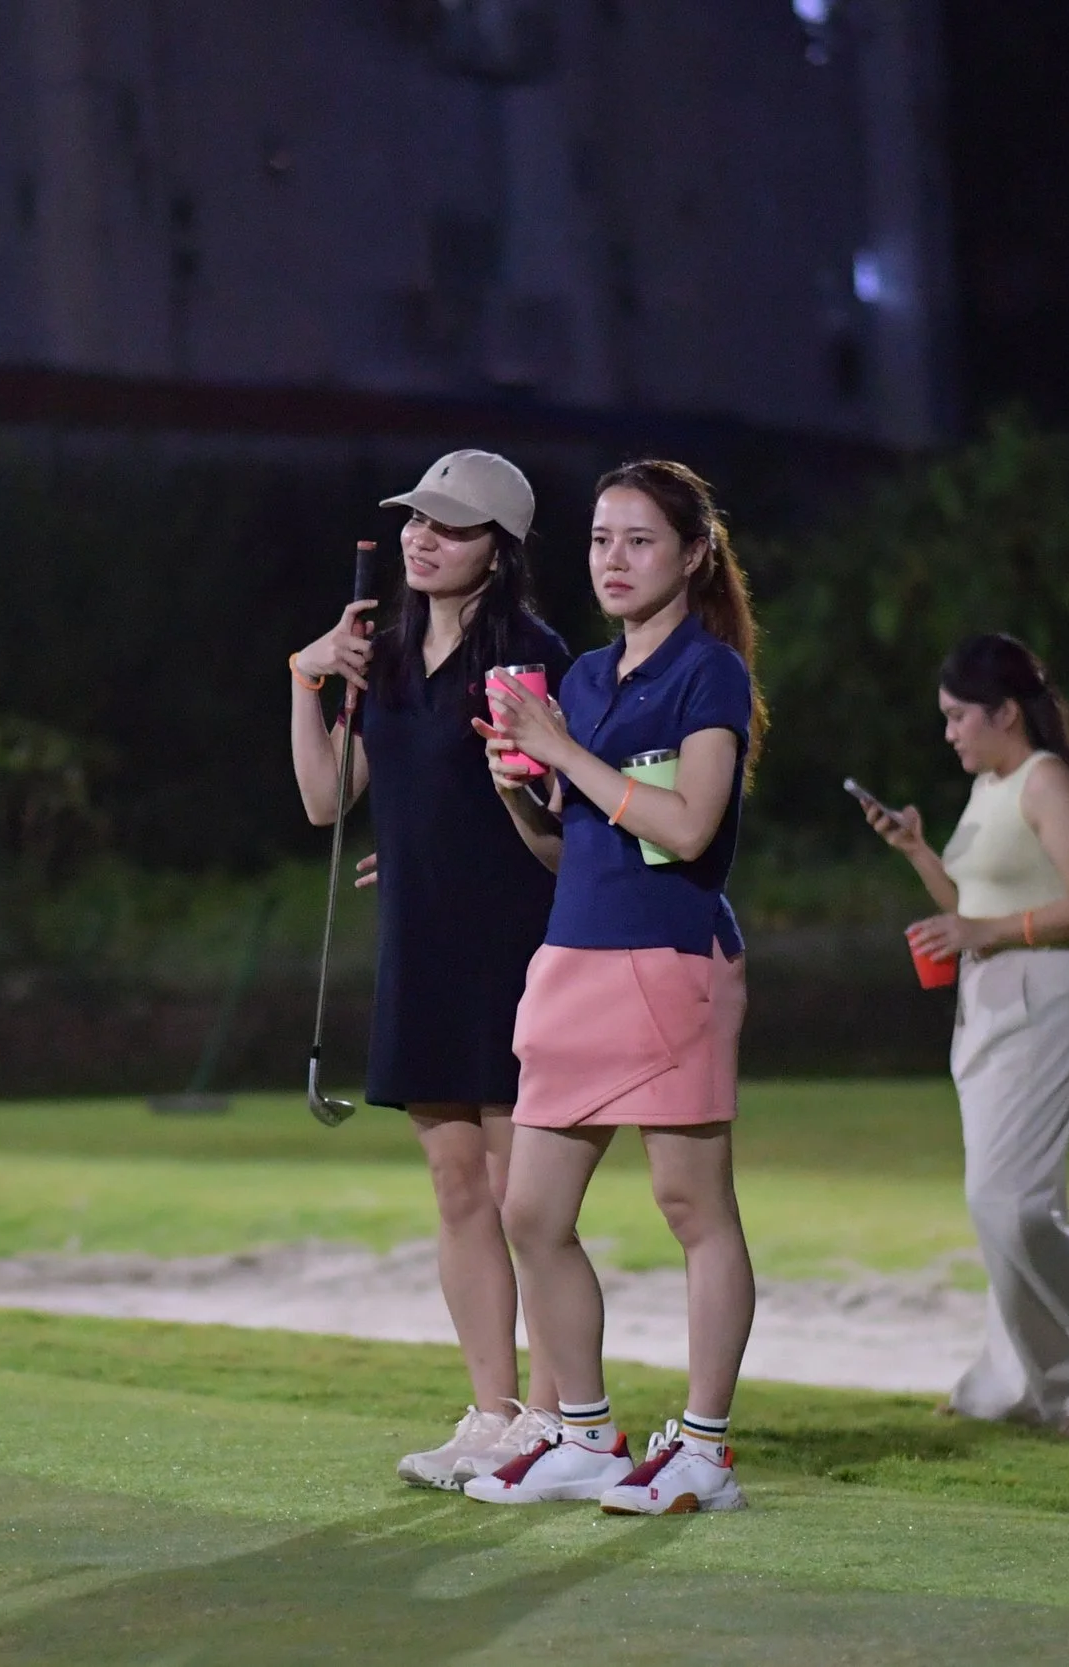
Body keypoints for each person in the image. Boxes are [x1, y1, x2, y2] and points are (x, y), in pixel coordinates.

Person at [461, 460, 765, 1515]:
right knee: (529, 1209)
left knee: (692, 1206)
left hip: (670, 963)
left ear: (692, 554)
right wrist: (520, 792)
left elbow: (685, 826)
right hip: (572, 959)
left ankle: (706, 1449)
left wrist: (560, 752)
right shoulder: (586, 679)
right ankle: (585, 1433)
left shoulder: (707, 671)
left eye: (639, 540)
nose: (615, 559)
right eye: (599, 539)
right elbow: (571, 853)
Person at [288, 449, 574, 1489]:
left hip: (513, 941)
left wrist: (451, 843)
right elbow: (328, 800)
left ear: (497, 551)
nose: (422, 538)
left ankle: (553, 1416)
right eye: (416, 520)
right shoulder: (389, 656)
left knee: (517, 1191)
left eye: (449, 527)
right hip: (419, 942)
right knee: (458, 1186)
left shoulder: (528, 654)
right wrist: (307, 674)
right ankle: (489, 1411)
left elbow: (549, 809)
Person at [858, 633, 1069, 1440]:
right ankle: (1038, 1382)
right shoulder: (991, 785)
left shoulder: (1045, 780)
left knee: (1009, 1203)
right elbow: (970, 901)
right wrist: (917, 848)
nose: (950, 732)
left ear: (1004, 711)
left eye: (960, 716)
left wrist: (991, 931)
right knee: (1010, 1204)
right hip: (988, 1001)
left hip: (1047, 992)